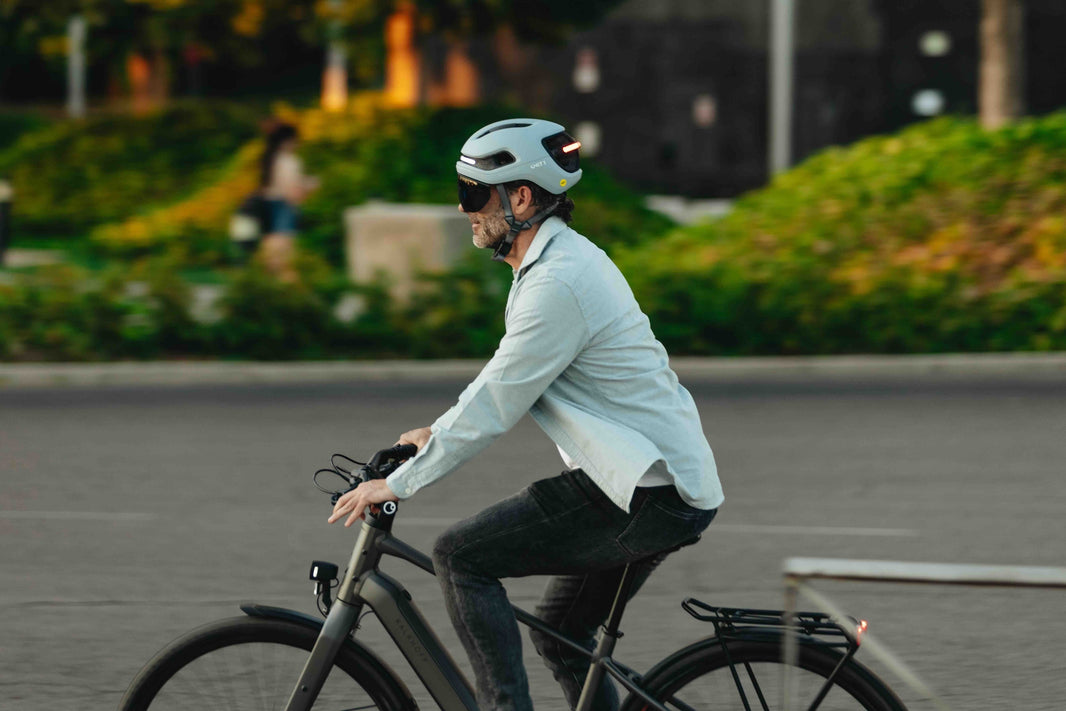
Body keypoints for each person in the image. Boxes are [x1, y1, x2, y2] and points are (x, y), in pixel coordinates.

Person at [328, 118, 724, 711]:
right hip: (650, 484)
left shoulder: (558, 282)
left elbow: (497, 401)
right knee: (562, 638)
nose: (464, 210)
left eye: (472, 195)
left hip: (646, 492)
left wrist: (401, 482)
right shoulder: (551, 263)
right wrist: (436, 433)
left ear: (521, 197)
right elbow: (503, 379)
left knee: (460, 557)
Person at [257, 121, 318, 281]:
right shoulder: (289, 162)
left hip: (267, 207)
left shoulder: (270, 160)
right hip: (283, 208)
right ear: (288, 141)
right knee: (285, 259)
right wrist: (310, 185)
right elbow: (293, 193)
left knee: (270, 257)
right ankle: (289, 295)